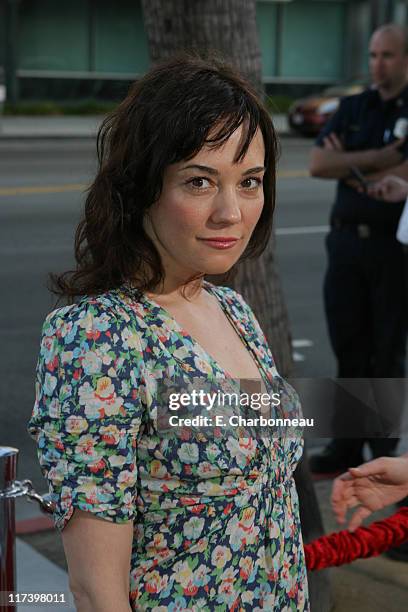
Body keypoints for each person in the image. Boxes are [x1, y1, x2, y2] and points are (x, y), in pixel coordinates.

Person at [27, 55, 309, 611]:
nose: (231, 212)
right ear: (140, 188)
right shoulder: (95, 337)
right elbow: (95, 590)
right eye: (200, 181)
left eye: (249, 182)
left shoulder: (231, 308)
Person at [309, 24, 408, 475]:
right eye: (373, 55)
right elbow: (318, 164)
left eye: (387, 55)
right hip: (346, 244)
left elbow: (346, 165)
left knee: (386, 354)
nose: (378, 64)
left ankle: (382, 455)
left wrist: (348, 163)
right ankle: (346, 449)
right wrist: (380, 156)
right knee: (348, 346)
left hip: (393, 250)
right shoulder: (353, 107)